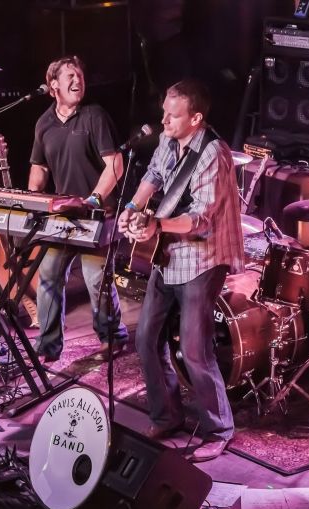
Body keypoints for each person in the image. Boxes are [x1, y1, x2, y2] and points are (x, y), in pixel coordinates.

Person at [118, 79, 244, 462]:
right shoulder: (168, 139)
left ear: (196, 118)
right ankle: (167, 415)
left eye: (173, 116)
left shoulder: (213, 154)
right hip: (169, 253)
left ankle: (218, 429)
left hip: (203, 258)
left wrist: (156, 225)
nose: (164, 121)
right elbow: (154, 176)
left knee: (194, 350)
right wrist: (132, 208)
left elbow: (201, 219)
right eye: (164, 113)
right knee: (146, 338)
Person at [27, 56, 128, 363]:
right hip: (62, 216)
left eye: (80, 75)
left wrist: (94, 199)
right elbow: (39, 170)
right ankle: (47, 346)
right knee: (48, 276)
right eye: (70, 76)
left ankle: (112, 337)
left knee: (96, 279)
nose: (77, 80)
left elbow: (115, 165)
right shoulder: (43, 123)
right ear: (53, 85)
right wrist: (31, 201)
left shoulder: (94, 116)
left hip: (97, 215)